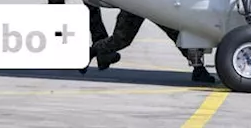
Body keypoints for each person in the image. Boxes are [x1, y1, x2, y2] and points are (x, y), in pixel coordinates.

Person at [84, 9, 214, 82]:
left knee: (179, 34)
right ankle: (90, 52)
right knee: (121, 39)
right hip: (136, 1)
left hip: (156, 1)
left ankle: (198, 69)